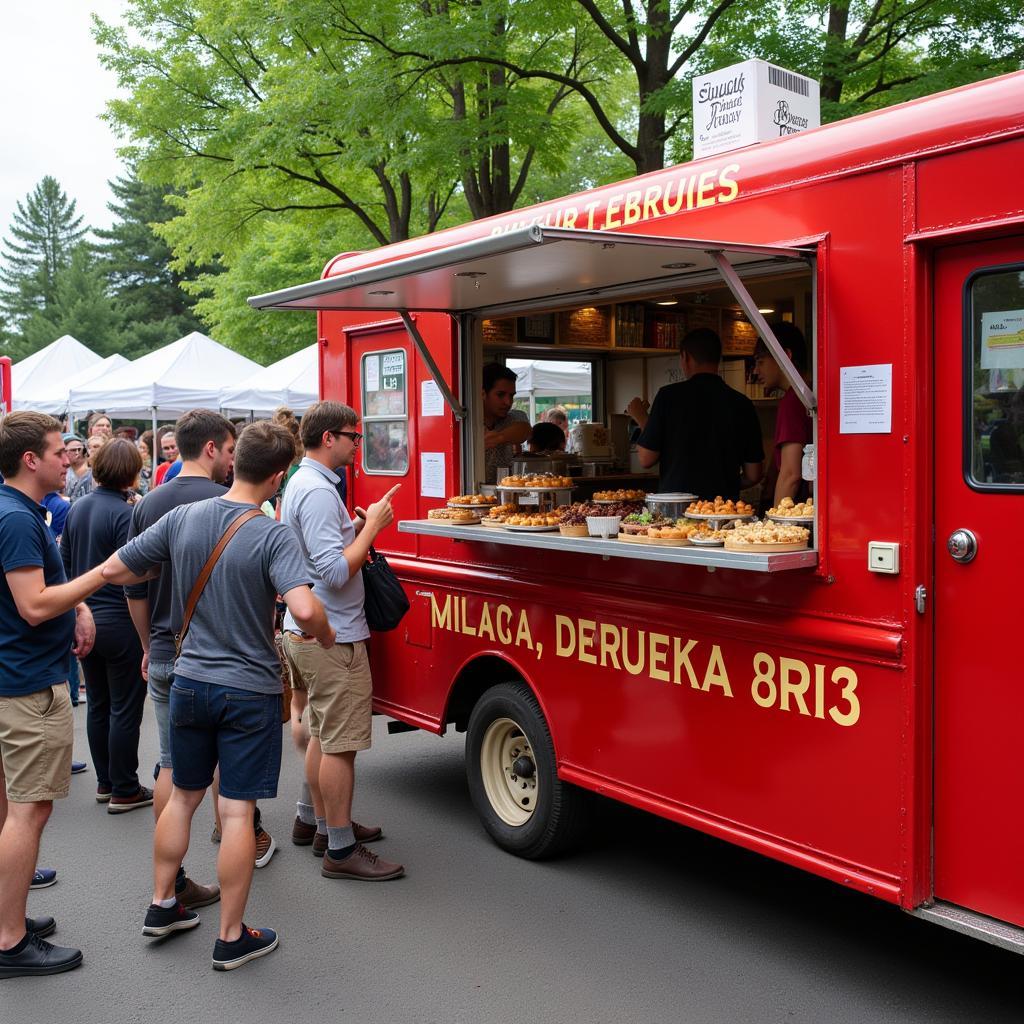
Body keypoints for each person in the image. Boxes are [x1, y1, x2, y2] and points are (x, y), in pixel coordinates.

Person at [103, 421, 333, 971]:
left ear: (236, 462)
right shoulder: (272, 533)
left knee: (182, 795)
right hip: (247, 690)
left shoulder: (184, 517)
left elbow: (117, 569)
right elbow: (303, 609)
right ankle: (231, 937)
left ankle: (163, 905)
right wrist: (323, 633)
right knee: (235, 813)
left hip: (187, 679)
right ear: (278, 477)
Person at [0, 412, 108, 978]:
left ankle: (5, 919)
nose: (69, 458)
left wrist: (80, 605)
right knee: (29, 811)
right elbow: (35, 604)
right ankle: (10, 941)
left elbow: (37, 588)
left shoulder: (15, 510)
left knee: (8, 809)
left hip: (13, 676)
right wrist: (102, 577)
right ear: (30, 461)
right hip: (25, 683)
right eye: (56, 451)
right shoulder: (17, 518)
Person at [123, 410, 246, 902]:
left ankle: (169, 885)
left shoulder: (149, 502)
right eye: (230, 451)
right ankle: (237, 839)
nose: (233, 462)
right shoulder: (227, 502)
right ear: (212, 449)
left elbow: (134, 585)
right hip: (218, 653)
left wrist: (147, 646)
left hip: (165, 648)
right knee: (226, 763)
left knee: (171, 766)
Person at [282, 401, 405, 881]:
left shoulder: (305, 482)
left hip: (310, 631)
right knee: (340, 745)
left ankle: (313, 820)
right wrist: (372, 527)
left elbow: (321, 554)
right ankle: (340, 847)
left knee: (321, 732)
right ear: (329, 437)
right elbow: (333, 572)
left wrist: (350, 530)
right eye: (354, 436)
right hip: (332, 635)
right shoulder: (315, 490)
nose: (359, 443)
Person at [61, 439, 151, 814]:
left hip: (84, 618)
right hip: (119, 619)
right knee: (125, 708)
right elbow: (132, 573)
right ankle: (125, 788)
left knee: (98, 704)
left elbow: (64, 562)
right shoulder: (126, 514)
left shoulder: (77, 508)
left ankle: (105, 781)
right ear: (131, 472)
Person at [629, 328, 764, 499]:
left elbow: (646, 459)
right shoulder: (742, 404)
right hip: (723, 509)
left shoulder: (668, 397)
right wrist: (723, 485)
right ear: (718, 359)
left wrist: (641, 417)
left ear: (685, 357)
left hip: (677, 510)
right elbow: (753, 474)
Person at [752, 323, 813, 510]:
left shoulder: (793, 400)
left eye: (760, 361)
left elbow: (790, 473)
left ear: (785, 355)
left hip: (797, 510)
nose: (755, 371)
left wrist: (775, 525)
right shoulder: (810, 393)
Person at [482, 363, 531, 484]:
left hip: (504, 497)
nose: (508, 402)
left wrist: (498, 438)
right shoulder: (467, 424)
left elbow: (525, 429)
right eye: (500, 395)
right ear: (482, 393)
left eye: (511, 395)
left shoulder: (511, 418)